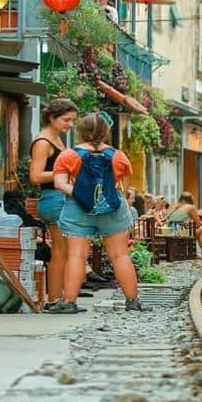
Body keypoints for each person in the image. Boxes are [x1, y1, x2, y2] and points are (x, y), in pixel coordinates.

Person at [49, 112, 145, 313]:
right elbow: (124, 187)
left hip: (78, 209)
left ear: (81, 131)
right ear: (105, 131)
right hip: (112, 208)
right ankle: (132, 302)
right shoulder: (118, 156)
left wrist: (82, 194)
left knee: (76, 256)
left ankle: (69, 302)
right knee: (120, 255)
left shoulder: (68, 155)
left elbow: (59, 184)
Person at [29, 98, 78, 312]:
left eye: (72, 120)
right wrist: (66, 173)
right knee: (61, 250)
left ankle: (58, 299)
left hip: (59, 197)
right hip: (53, 198)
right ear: (52, 118)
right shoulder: (43, 143)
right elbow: (35, 176)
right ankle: (55, 300)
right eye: (66, 120)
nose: (70, 124)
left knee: (63, 250)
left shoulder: (56, 139)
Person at [167, 192, 202, 257]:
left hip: (169, 230)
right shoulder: (190, 207)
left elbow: (168, 218)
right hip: (179, 232)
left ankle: (196, 252)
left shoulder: (173, 206)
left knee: (195, 230)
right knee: (201, 231)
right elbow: (198, 223)